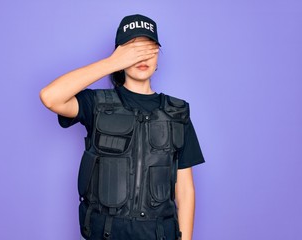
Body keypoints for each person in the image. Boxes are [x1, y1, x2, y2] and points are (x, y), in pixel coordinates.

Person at [40, 14, 205, 240]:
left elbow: (185, 191)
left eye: (149, 48)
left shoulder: (177, 113)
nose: (141, 56)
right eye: (132, 49)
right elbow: (50, 97)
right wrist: (112, 63)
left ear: (158, 56)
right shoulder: (96, 104)